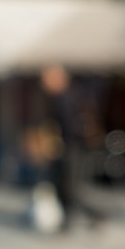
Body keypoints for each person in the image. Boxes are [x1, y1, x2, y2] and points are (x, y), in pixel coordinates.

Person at [40, 65, 104, 230]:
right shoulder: (66, 96)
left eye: (46, 79)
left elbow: (70, 126)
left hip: (73, 148)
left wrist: (59, 141)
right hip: (73, 148)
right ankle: (71, 220)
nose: (44, 84)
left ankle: (93, 215)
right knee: (64, 187)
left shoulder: (67, 97)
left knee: (69, 188)